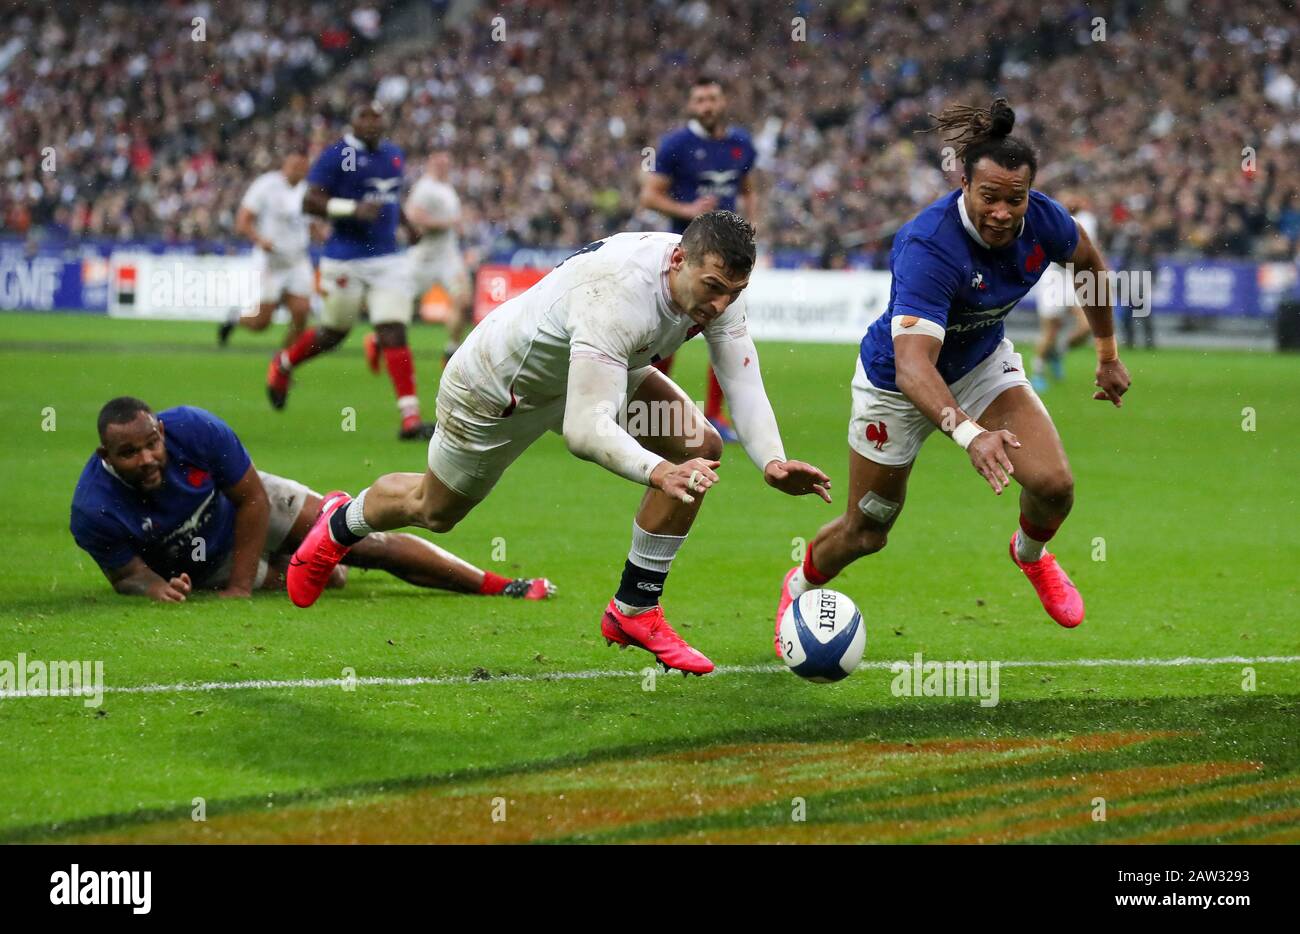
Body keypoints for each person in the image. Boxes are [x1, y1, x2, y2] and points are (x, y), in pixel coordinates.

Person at [286, 212, 831, 675]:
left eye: (732, 293)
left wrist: (773, 461)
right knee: (434, 510)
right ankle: (341, 521)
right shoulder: (619, 293)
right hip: (499, 388)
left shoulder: (714, 283)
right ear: (677, 261)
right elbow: (585, 429)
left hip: (600, 370)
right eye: (712, 289)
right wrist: (654, 472)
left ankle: (634, 606)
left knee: (697, 446)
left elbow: (742, 380)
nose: (718, 305)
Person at [775, 99, 1131, 655]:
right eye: (989, 197)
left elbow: (1089, 263)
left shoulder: (1044, 220)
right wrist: (969, 434)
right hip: (895, 386)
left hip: (982, 366)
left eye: (1015, 199)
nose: (1002, 213)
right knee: (868, 530)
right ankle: (797, 588)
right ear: (964, 183)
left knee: (1054, 485)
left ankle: (1030, 556)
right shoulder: (929, 246)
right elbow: (915, 366)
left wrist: (1106, 353)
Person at [70, 397, 554, 603]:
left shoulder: (194, 428)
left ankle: (498, 584)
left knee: (369, 542)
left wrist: (241, 588)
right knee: (328, 580)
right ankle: (303, 564)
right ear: (105, 455)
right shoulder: (93, 509)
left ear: (161, 430)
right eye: (129, 453)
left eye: (152, 442)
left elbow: (253, 499)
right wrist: (156, 588)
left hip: (242, 511)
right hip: (199, 563)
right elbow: (127, 575)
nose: (148, 458)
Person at [265, 102, 436, 440]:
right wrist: (350, 208)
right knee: (335, 332)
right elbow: (309, 202)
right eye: (364, 116)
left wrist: (408, 226)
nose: (372, 122)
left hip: (387, 258)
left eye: (377, 116)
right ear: (352, 121)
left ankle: (410, 418)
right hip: (345, 257)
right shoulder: (335, 156)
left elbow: (389, 197)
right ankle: (284, 363)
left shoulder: (393, 154)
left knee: (394, 331)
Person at [639, 76, 759, 444]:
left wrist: (751, 224)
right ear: (691, 105)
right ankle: (651, 410)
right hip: (685, 255)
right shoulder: (676, 145)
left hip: (728, 257)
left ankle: (715, 415)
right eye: (699, 99)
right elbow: (649, 196)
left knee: (724, 335)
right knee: (666, 334)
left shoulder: (741, 144)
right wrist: (687, 208)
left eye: (712, 98)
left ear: (724, 102)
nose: (706, 105)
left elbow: (748, 190)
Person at [219, 152, 315, 349]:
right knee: (261, 323)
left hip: (297, 260)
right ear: (285, 165)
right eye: (294, 165)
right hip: (270, 262)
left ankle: (283, 363)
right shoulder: (266, 185)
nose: (298, 170)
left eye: (302, 166)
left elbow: (309, 225)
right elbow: (243, 221)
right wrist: (259, 240)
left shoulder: (308, 191)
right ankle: (235, 318)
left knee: (301, 312)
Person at [395, 150, 472, 367]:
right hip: (425, 256)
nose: (444, 166)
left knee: (463, 299)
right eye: (439, 162)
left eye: (446, 162)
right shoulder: (424, 187)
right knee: (402, 305)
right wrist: (445, 223)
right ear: (431, 162)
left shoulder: (446, 188)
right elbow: (413, 216)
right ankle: (378, 341)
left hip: (448, 255)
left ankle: (451, 350)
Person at [1029, 192, 1098, 390]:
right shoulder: (1051, 219)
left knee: (1087, 326)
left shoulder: (1088, 220)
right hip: (1053, 278)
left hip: (1076, 277)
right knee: (1050, 330)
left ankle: (1057, 352)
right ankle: (1038, 370)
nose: (1073, 201)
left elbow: (1092, 247)